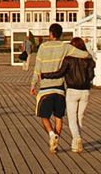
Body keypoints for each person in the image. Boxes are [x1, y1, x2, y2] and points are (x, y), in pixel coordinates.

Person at [43, 37, 95, 153]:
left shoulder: (68, 60)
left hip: (72, 91)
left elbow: (59, 73)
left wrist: (45, 75)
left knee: (72, 119)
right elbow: (91, 76)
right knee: (79, 118)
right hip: (85, 92)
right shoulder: (88, 60)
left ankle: (77, 139)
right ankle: (75, 144)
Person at [27, 23, 72, 153]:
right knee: (59, 117)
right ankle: (56, 141)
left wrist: (33, 84)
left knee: (44, 116)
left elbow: (38, 68)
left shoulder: (43, 47)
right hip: (59, 88)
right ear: (61, 34)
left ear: (50, 34)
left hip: (46, 88)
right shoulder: (65, 47)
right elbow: (82, 54)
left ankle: (52, 134)